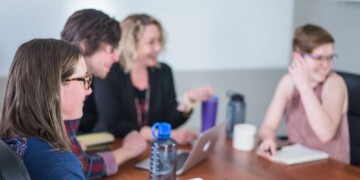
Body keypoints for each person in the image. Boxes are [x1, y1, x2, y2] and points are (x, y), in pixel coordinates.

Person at [93, 13, 213, 145]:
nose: (158, 48)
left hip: (150, 150)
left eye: (159, 40)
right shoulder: (108, 71)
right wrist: (163, 134)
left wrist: (188, 101)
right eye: (151, 42)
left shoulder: (163, 72)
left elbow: (169, 122)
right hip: (114, 148)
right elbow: (114, 124)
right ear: (130, 43)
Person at [61, 9, 147, 179]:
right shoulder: (66, 88)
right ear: (84, 45)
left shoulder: (59, 77)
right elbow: (80, 167)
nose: (116, 58)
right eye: (110, 49)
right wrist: (128, 150)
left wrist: (73, 145)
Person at [257, 24, 349, 164]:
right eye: (319, 58)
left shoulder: (335, 84)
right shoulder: (288, 82)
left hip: (332, 170)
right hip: (297, 166)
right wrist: (269, 139)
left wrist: (304, 87)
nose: (326, 65)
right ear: (297, 58)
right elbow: (267, 126)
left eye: (330, 57)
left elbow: (325, 134)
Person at [0, 39, 86, 179]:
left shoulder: (10, 138)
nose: (88, 91)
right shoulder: (59, 165)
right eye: (84, 80)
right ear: (54, 86)